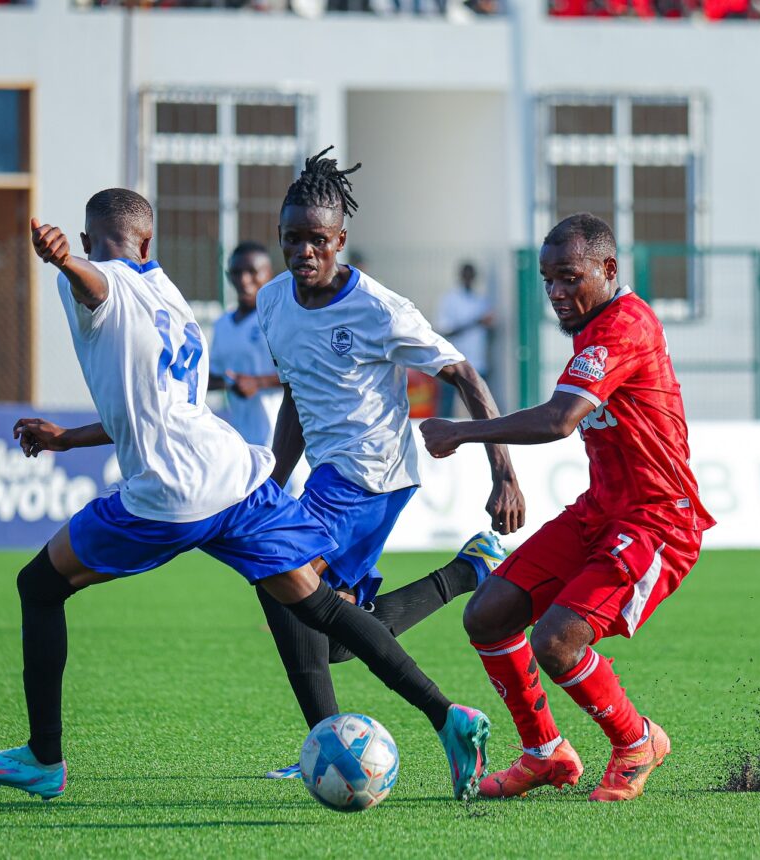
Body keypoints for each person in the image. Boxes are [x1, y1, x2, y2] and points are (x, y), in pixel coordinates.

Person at [0, 189, 493, 802]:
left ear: (88, 242)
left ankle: (43, 758)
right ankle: (446, 714)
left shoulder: (98, 279)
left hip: (171, 493)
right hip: (234, 476)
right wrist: (69, 438)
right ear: (150, 245)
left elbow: (95, 288)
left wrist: (62, 262)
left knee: (39, 586)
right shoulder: (167, 293)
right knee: (317, 608)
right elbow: (153, 407)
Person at [421, 213, 715, 802]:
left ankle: (637, 741)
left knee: (556, 641)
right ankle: (546, 753)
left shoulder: (625, 325)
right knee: (488, 614)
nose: (556, 293)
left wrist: (462, 431)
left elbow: (559, 420)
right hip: (600, 512)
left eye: (569, 277)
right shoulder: (590, 323)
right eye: (547, 279)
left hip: (659, 520)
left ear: (608, 270)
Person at [255, 148, 526, 779]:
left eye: (317, 241)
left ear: (341, 239)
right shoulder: (274, 304)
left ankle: (336, 742)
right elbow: (297, 392)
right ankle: (468, 571)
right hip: (328, 476)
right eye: (292, 239)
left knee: (278, 573)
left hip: (371, 474)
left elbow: (462, 371)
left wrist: (503, 471)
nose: (304, 253)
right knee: (329, 634)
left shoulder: (379, 309)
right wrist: (272, 482)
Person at [208, 241, 282, 446]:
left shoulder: (280, 319)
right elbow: (217, 376)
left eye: (252, 271)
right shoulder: (222, 324)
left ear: (269, 273)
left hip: (280, 439)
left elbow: (301, 374)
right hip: (242, 441)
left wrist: (257, 383)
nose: (244, 280)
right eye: (236, 272)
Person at [435, 262, 494, 417]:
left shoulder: (480, 300)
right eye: (466, 276)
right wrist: (476, 322)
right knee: (447, 405)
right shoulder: (450, 300)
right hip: (454, 360)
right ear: (460, 277)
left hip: (478, 361)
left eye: (471, 276)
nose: (469, 279)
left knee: (480, 403)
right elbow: (446, 331)